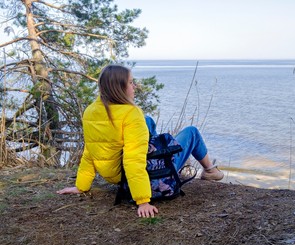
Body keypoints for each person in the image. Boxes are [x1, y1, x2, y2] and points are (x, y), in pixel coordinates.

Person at [57, 64, 223, 218]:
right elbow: (133, 160)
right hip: (134, 175)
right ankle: (210, 170)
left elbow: (90, 151)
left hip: (114, 175)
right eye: (131, 83)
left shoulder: (90, 111)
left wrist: (81, 186)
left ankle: (158, 152)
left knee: (147, 120)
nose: (134, 86)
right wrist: (143, 200)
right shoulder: (131, 113)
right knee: (191, 132)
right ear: (119, 88)